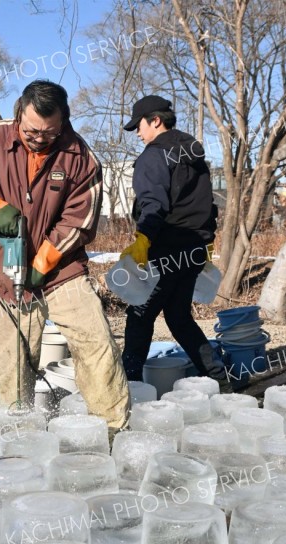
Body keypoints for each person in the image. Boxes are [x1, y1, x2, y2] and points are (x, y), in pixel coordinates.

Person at [0, 79, 130, 432]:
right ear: (19, 114)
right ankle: (20, 434)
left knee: (97, 346)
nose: (40, 139)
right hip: (8, 271)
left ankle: (111, 431)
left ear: (64, 122)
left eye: (49, 132)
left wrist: (43, 262)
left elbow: (81, 220)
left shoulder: (81, 157)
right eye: (32, 131)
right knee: (13, 360)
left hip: (63, 271)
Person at [120, 94, 225, 382]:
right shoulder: (194, 155)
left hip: (165, 249)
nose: (138, 134)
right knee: (178, 317)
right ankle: (219, 379)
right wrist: (207, 242)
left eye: (139, 126)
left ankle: (130, 389)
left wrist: (143, 238)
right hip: (193, 250)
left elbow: (153, 204)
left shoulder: (153, 156)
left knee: (140, 316)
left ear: (155, 121)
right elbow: (209, 205)